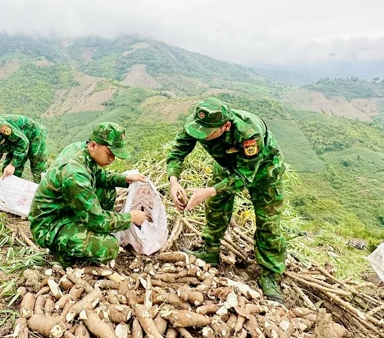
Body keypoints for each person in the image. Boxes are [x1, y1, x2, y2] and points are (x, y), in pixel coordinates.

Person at [166, 98, 288, 303]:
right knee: (215, 206)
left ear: (226, 126)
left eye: (208, 133)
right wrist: (173, 181)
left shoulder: (249, 133)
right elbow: (178, 151)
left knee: (268, 221)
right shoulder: (196, 123)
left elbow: (244, 176)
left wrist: (209, 190)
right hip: (226, 165)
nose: (201, 135)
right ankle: (210, 250)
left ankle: (270, 275)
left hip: (263, 170)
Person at [29, 123, 147, 266]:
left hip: (66, 209)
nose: (112, 160)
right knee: (109, 247)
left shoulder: (81, 149)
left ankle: (88, 233)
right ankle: (62, 252)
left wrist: (123, 179)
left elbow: (97, 176)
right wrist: (130, 217)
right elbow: (97, 219)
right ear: (93, 146)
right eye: (109, 154)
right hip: (50, 225)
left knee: (107, 190)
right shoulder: (75, 176)